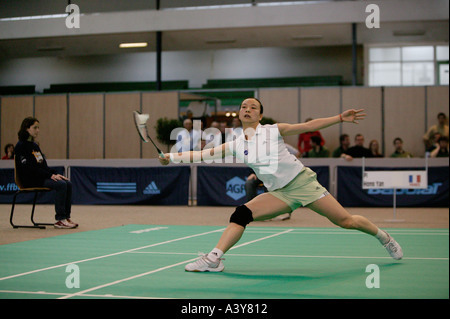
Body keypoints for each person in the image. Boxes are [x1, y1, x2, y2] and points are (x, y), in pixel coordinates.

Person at [159, 98, 403, 272]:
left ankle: (384, 237)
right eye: (244, 106)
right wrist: (171, 158)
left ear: (260, 115)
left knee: (346, 221)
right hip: (279, 193)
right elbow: (203, 155)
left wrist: (340, 118)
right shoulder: (235, 143)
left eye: (253, 107)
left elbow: (309, 126)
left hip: (302, 183)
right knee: (242, 213)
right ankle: (214, 258)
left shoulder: (273, 131)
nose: (247, 109)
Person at [14, 117, 77, 229]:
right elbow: (29, 169)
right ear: (27, 128)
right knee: (61, 185)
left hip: (39, 177)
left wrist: (56, 174)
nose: (38, 130)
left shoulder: (35, 146)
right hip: (29, 180)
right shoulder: (20, 146)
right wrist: (50, 176)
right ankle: (60, 220)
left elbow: (43, 166)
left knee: (67, 183)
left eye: (38, 128)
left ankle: (66, 217)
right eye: (35, 128)